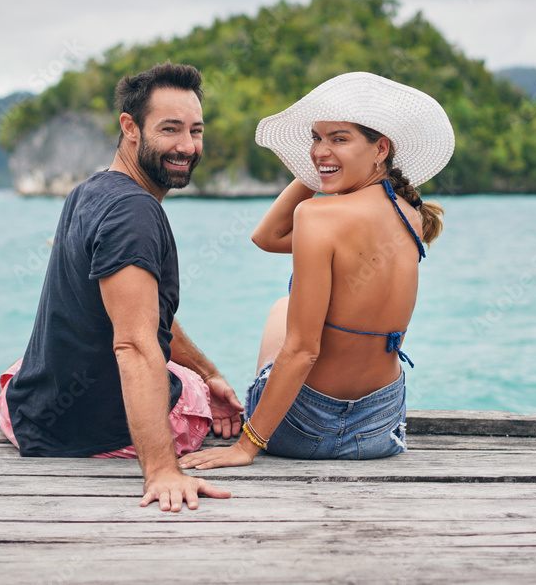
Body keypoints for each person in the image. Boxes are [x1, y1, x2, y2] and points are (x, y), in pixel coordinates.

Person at [0, 62, 243, 512]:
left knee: (189, 375)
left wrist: (209, 372)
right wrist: (163, 471)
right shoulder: (134, 215)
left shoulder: (90, 190)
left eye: (196, 130)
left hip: (24, 409)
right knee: (192, 394)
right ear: (130, 127)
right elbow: (134, 345)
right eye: (170, 129)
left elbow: (145, 314)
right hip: (81, 436)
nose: (187, 146)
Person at [180, 72, 453, 469]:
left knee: (282, 307)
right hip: (379, 428)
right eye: (315, 138)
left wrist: (246, 446)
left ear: (381, 148)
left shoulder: (317, 216)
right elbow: (269, 237)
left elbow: (303, 350)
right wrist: (329, 166)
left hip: (303, 428)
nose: (320, 150)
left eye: (338, 139)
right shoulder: (410, 214)